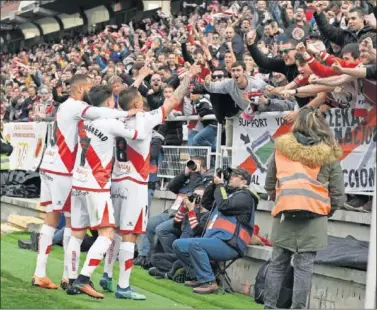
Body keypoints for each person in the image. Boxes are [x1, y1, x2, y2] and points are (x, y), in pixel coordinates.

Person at [32, 74, 140, 290]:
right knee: (73, 225)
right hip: (64, 168)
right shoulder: (76, 106)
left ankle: (41, 272)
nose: (91, 92)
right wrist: (127, 112)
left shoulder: (64, 106)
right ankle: (67, 276)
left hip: (49, 164)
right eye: (89, 87)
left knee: (51, 220)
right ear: (80, 89)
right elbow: (99, 110)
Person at [99, 88, 180, 300]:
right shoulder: (144, 118)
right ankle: (123, 286)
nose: (144, 104)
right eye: (141, 101)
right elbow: (172, 101)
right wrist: (188, 77)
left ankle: (107, 274)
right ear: (136, 105)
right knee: (130, 234)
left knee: (115, 231)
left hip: (115, 181)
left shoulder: (116, 118)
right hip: (135, 183)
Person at [66, 85, 146, 299]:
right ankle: (84, 279)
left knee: (76, 233)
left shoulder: (82, 120)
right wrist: (139, 115)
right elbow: (138, 134)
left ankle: (70, 278)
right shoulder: (111, 123)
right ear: (110, 102)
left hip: (78, 182)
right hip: (96, 185)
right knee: (107, 234)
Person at [263, 107, 345, 309]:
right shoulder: (329, 154)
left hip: (284, 214)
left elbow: (269, 184)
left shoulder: (281, 150)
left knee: (277, 264)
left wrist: (283, 200)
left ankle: (269, 307)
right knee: (304, 268)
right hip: (314, 217)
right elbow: (338, 194)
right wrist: (326, 211)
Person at [173, 168, 259, 294]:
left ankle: (209, 281)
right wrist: (214, 184)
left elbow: (224, 205)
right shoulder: (229, 194)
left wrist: (220, 185)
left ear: (244, 182)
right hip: (216, 240)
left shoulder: (245, 196)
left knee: (194, 244)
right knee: (178, 245)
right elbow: (207, 203)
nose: (231, 177)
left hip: (230, 244)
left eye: (235, 175)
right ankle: (199, 276)